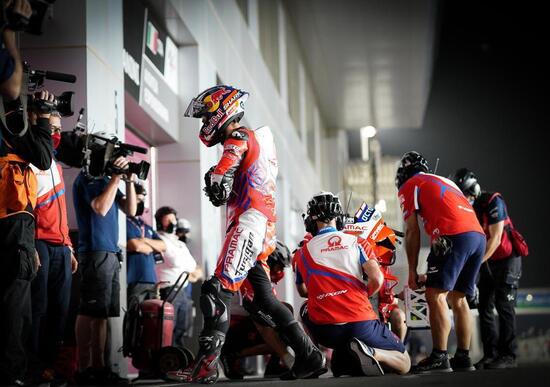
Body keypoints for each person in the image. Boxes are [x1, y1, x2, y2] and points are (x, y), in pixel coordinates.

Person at [167, 85, 326, 384]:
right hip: (262, 225)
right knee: (263, 301)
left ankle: (205, 367)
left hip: (249, 222)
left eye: (206, 116)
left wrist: (216, 176)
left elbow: (220, 179)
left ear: (223, 111)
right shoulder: (260, 140)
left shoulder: (238, 137)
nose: (204, 124)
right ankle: (310, 356)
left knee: (217, 292)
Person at [294, 192, 411, 376]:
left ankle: (314, 357)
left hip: (326, 332)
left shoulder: (302, 253)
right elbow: (377, 279)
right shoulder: (358, 242)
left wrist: (325, 293)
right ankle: (374, 353)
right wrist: (362, 293)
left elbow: (302, 291)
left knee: (304, 309)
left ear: (310, 220)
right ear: (339, 217)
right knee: (405, 363)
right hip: (360, 323)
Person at [396, 151, 486, 373]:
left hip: (452, 235)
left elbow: (411, 231)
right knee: (459, 298)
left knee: (435, 295)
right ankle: (463, 358)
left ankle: (439, 356)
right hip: (477, 235)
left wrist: (412, 271)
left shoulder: (411, 184)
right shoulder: (443, 181)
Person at [0, 89, 53, 387]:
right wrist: (42, 118)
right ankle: (12, 375)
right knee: (16, 305)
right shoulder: (10, 122)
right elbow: (44, 158)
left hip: (13, 221)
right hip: (11, 218)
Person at [72, 152, 137, 384]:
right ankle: (83, 368)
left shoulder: (106, 181)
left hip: (110, 252)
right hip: (94, 251)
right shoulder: (87, 178)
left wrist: (128, 180)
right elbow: (100, 207)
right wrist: (117, 178)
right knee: (90, 311)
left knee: (102, 314)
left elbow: (130, 210)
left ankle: (100, 368)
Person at [451, 168, 522, 369]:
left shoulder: (493, 201)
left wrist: (474, 264)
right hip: (488, 263)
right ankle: (490, 355)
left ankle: (508, 355)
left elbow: (496, 239)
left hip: (507, 260)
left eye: (465, 194)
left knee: (504, 306)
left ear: (474, 190)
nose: (464, 199)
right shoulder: (467, 208)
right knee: (484, 308)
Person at [28, 111, 78, 384]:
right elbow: (26, 209)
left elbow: (62, 213)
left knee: (60, 310)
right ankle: (33, 367)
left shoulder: (56, 165)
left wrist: (69, 246)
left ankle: (50, 366)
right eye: (52, 127)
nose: (56, 133)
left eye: (59, 128)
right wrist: (29, 245)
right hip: (38, 243)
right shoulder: (31, 161)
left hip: (60, 246)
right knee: (38, 307)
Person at [220, 240, 295, 379]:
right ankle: (231, 355)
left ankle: (274, 365)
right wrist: (288, 356)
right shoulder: (251, 277)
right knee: (277, 323)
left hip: (245, 322)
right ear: (270, 262)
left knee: (285, 314)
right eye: (280, 267)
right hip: (232, 329)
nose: (281, 271)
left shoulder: (263, 277)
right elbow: (261, 315)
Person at [154, 206, 202, 348]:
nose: (172, 222)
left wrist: (191, 271)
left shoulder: (179, 243)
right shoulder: (158, 239)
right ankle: (164, 364)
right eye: (167, 219)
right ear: (159, 221)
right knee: (167, 331)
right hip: (168, 290)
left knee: (182, 330)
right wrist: (189, 271)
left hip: (184, 291)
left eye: (174, 219)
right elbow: (177, 262)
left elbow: (193, 266)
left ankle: (177, 365)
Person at [126, 183, 165, 304]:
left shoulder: (145, 225)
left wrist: (145, 240)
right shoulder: (125, 222)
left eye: (143, 200)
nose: (141, 203)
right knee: (134, 318)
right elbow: (135, 246)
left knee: (151, 319)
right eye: (138, 200)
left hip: (151, 280)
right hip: (134, 279)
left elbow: (163, 245)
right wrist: (152, 247)